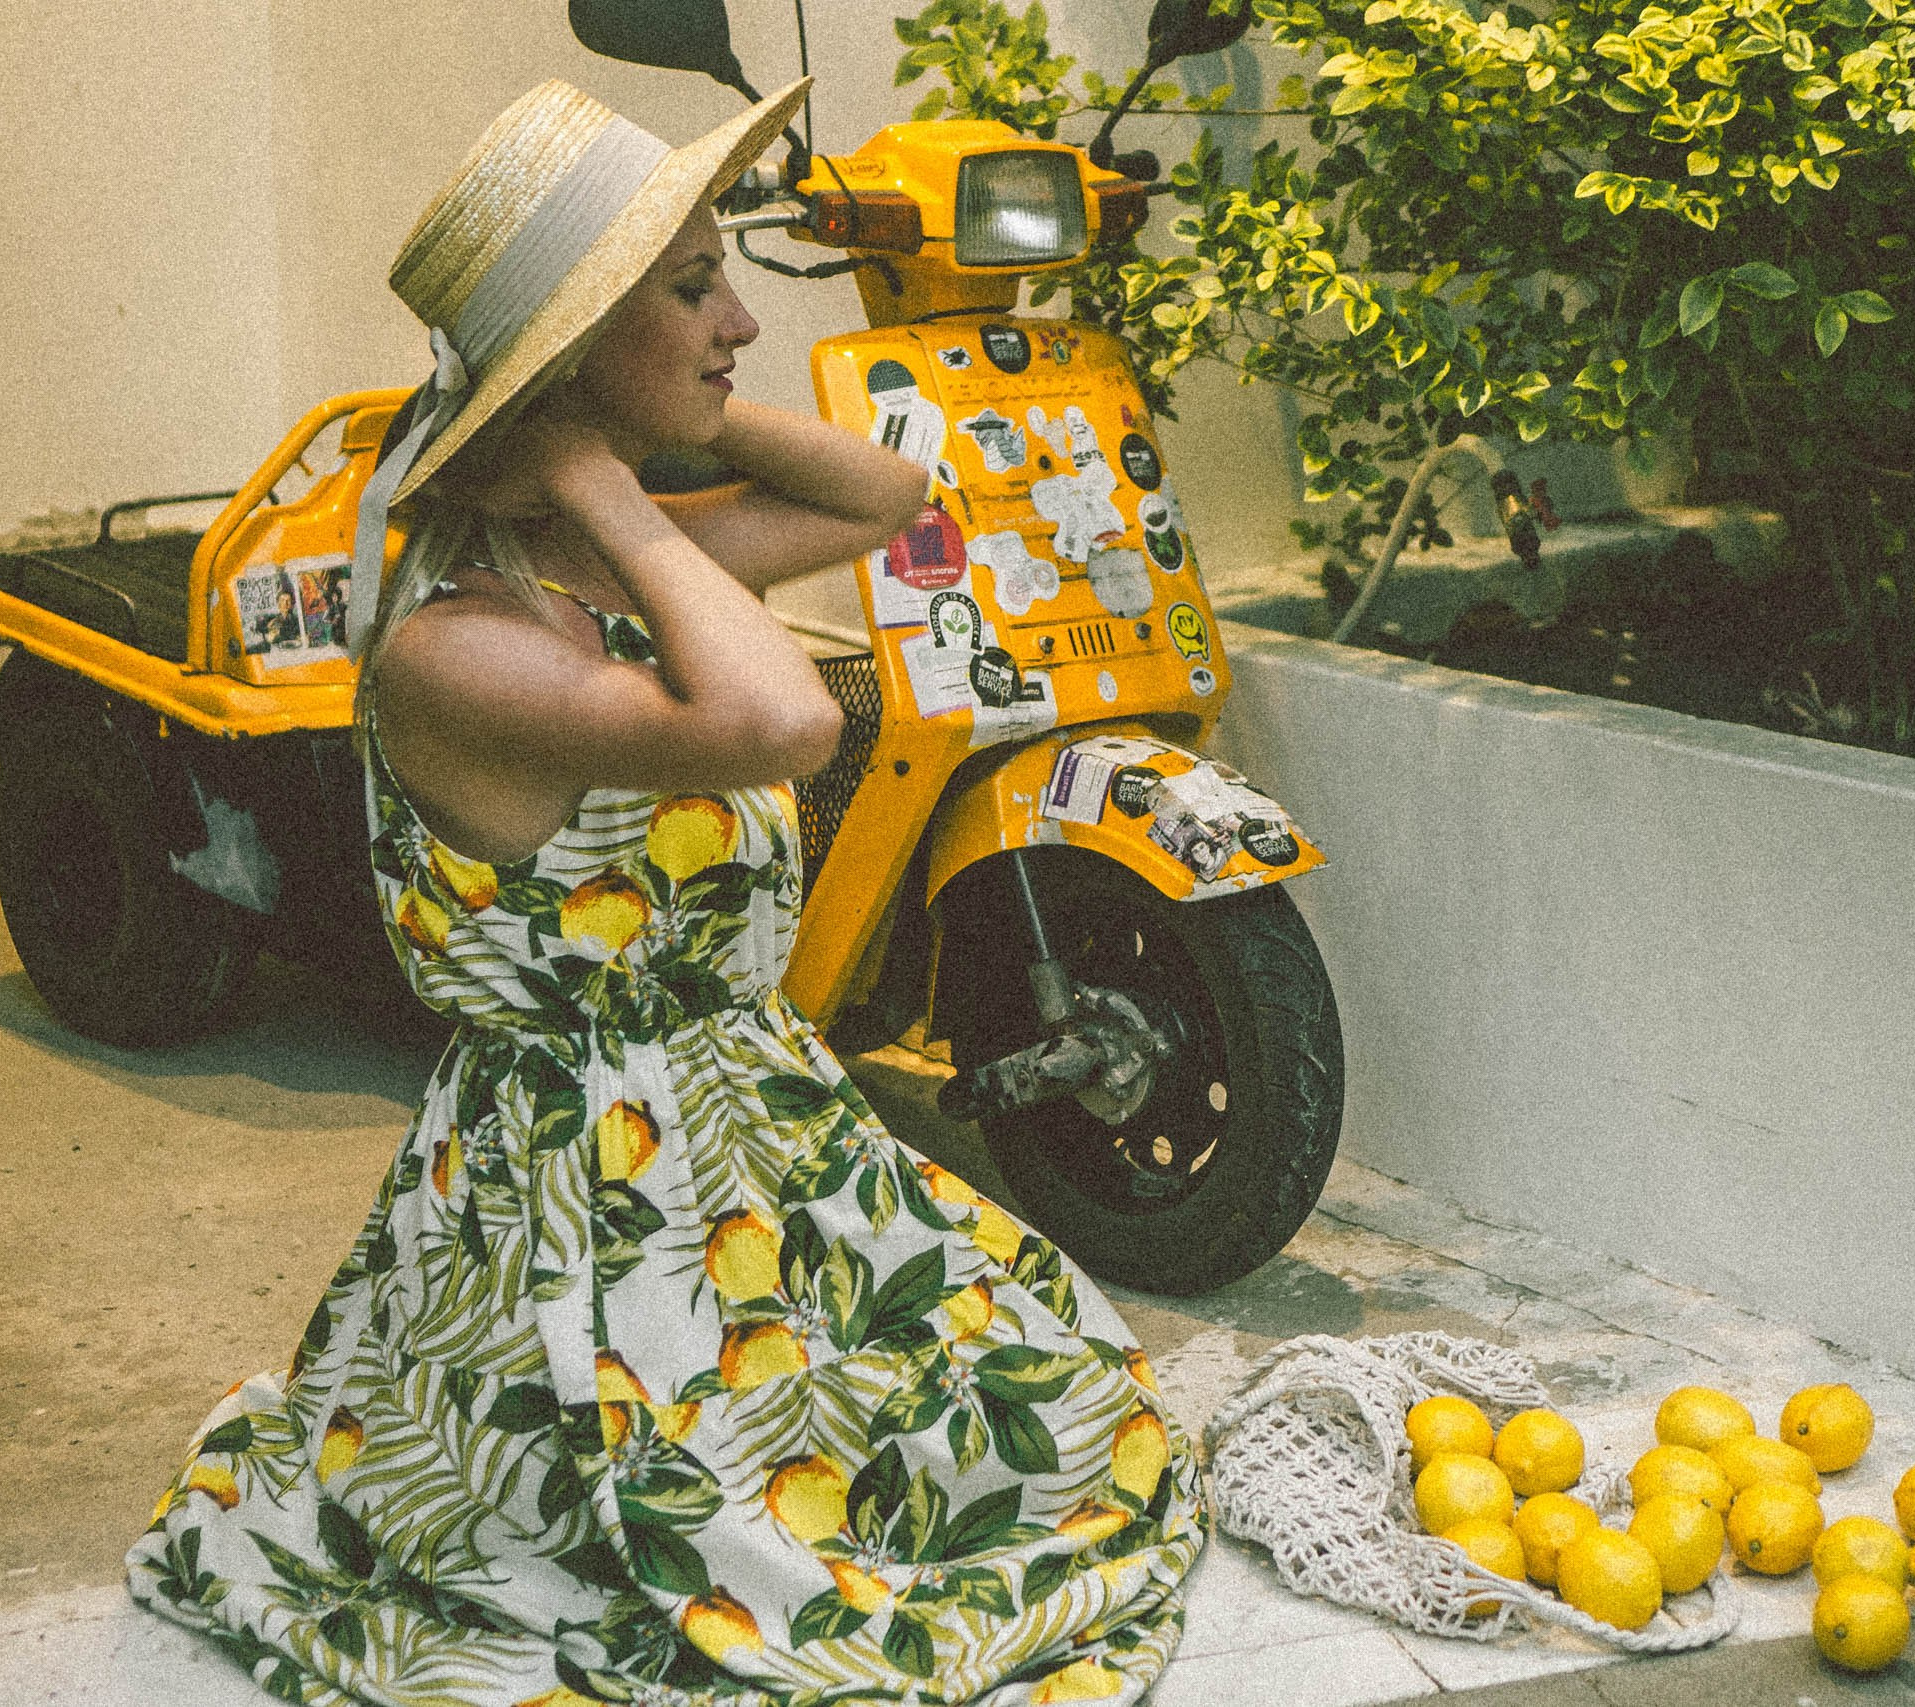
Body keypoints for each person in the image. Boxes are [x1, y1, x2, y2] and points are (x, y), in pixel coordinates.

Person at [127, 78, 1207, 1706]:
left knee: (1053, 1409)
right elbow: (781, 723)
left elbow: (887, 497)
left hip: (746, 1126)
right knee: (737, 1551)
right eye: (693, 287)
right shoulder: (465, 647)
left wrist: (649, 431)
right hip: (590, 1198)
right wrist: (615, 483)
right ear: (567, 364)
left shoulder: (595, 573)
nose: (746, 321)